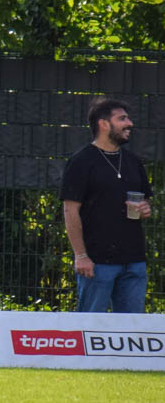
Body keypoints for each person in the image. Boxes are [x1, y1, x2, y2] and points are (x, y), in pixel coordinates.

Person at [61, 98, 151, 314]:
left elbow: (146, 203)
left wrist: (145, 209)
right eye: (122, 119)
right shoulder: (81, 161)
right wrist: (81, 256)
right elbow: (70, 211)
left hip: (134, 261)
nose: (129, 123)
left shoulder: (133, 161)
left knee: (132, 328)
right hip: (96, 262)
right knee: (90, 326)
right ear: (103, 124)